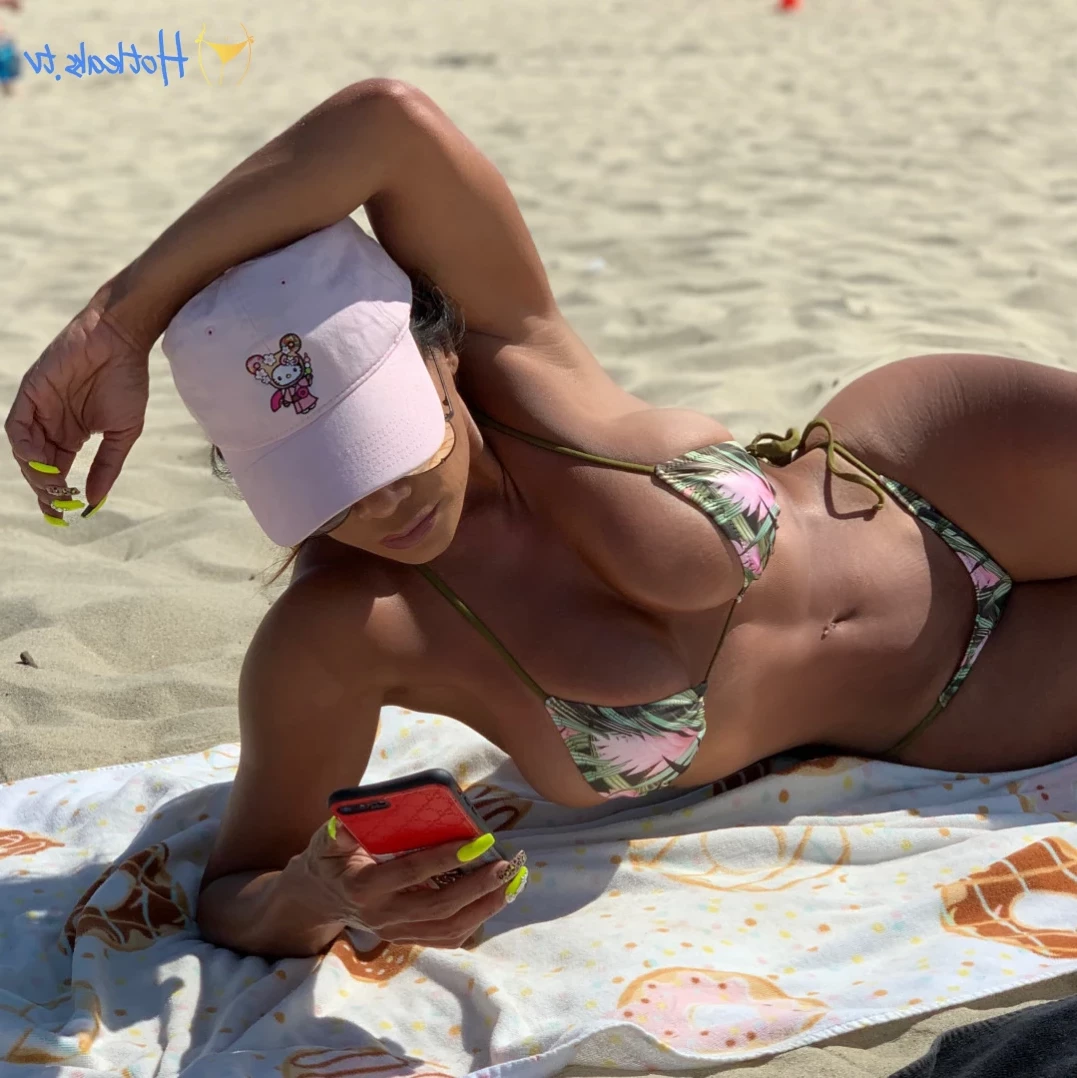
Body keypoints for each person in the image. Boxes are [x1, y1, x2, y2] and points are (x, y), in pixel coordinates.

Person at [7, 79, 1077, 959]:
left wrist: (117, 320)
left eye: (390, 440)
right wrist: (317, 897)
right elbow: (237, 890)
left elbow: (385, 122)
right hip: (955, 702)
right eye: (324, 478)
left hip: (930, 468)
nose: (380, 501)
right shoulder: (347, 631)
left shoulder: (519, 357)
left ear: (440, 349)